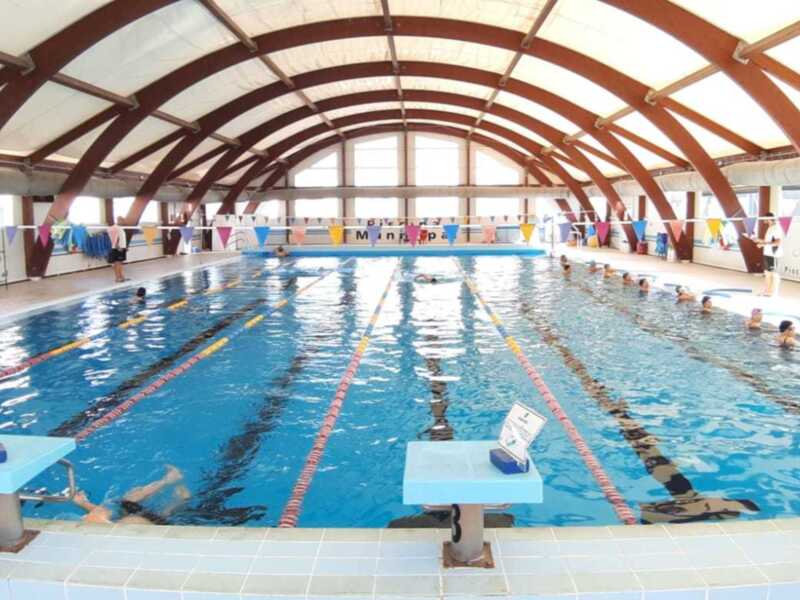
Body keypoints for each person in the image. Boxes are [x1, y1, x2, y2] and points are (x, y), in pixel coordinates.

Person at [72, 465, 190, 525]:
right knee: (165, 514)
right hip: (150, 524)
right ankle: (178, 494)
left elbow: (102, 512)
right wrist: (83, 503)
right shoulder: (124, 524)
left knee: (126, 501)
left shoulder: (105, 523)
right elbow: (101, 512)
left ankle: (170, 481)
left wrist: (83, 503)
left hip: (136, 520)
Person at [748, 212, 784, 297]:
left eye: (764, 218)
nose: (763, 220)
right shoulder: (770, 228)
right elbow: (768, 241)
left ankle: (773, 293)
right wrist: (757, 239)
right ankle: (767, 291)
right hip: (767, 253)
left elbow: (777, 242)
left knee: (774, 274)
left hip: (774, 254)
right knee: (767, 273)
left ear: (768, 219)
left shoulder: (776, 228)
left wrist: (763, 244)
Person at [107, 217, 128, 283]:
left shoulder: (116, 228)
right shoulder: (116, 228)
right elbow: (115, 238)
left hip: (119, 247)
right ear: (118, 220)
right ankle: (119, 277)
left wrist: (125, 246)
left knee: (117, 263)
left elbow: (120, 238)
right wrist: (118, 246)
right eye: (122, 221)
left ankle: (119, 277)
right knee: (118, 263)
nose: (123, 222)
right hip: (119, 248)